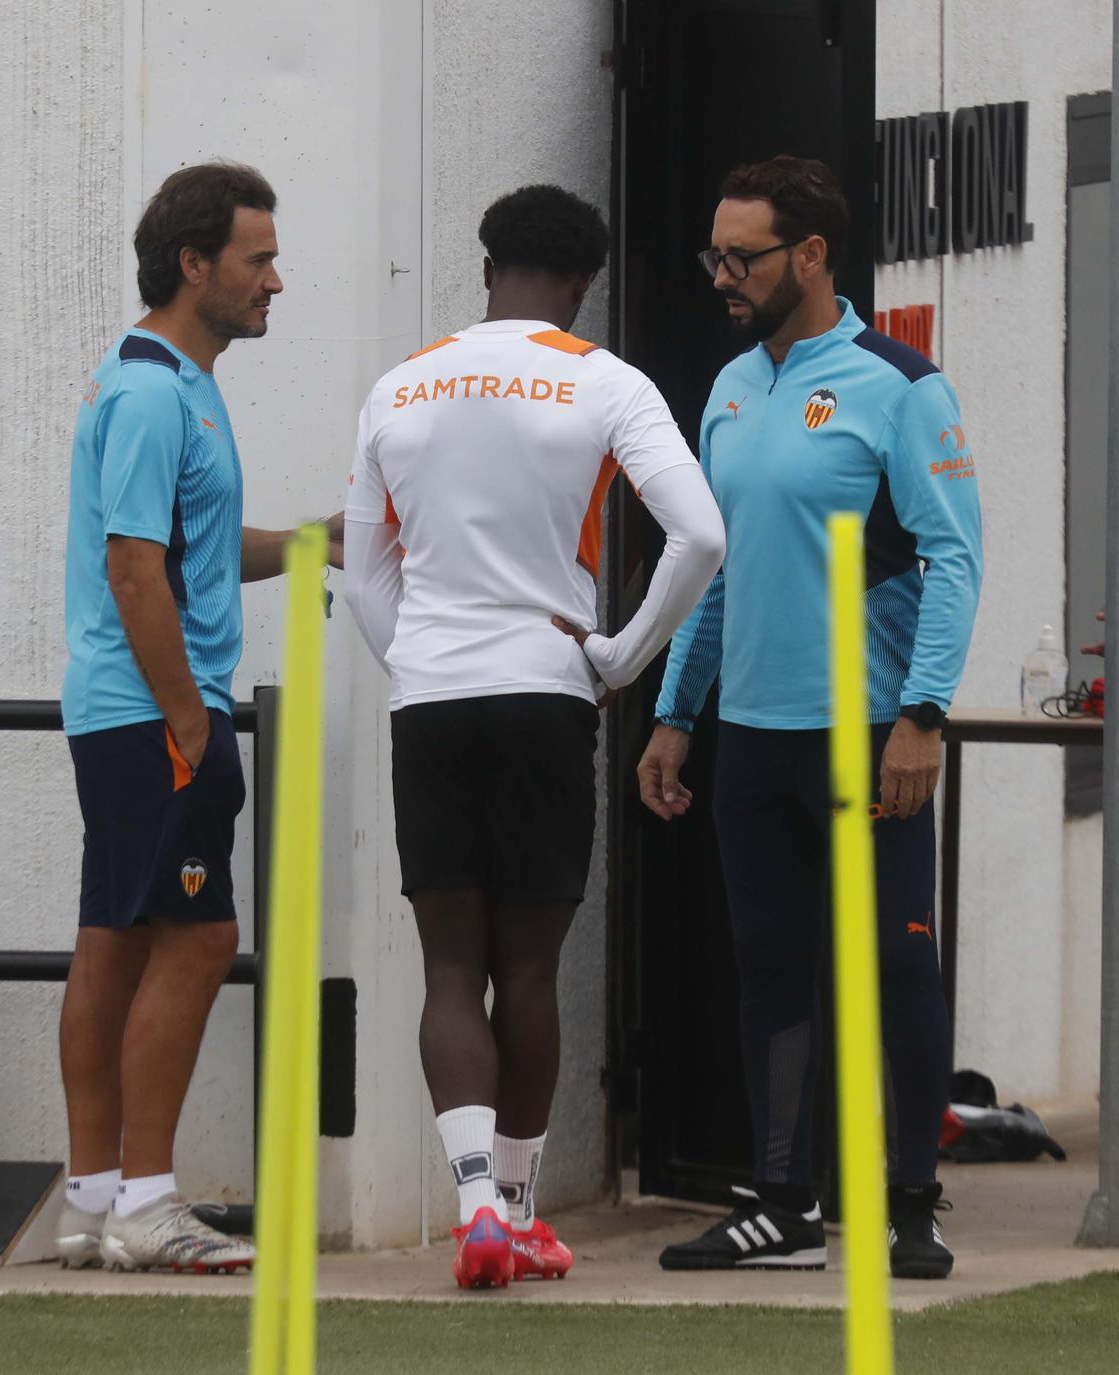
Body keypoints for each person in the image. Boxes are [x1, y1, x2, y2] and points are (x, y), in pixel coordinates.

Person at [344, 185, 725, 1289]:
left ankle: (471, 1206)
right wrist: (618, 655)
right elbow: (699, 532)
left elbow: (366, 570)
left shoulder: (399, 384)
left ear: (483, 265)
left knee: (450, 963)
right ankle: (514, 1206)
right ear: (583, 283)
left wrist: (412, 656)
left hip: (431, 691)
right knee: (529, 964)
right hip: (546, 684)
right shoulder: (603, 380)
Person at [642, 156, 983, 1281]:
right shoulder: (731, 384)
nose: (722, 276)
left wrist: (921, 716)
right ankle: (780, 1205)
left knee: (893, 965)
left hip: (870, 730)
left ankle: (910, 1209)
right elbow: (716, 566)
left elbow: (953, 559)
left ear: (812, 254)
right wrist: (674, 712)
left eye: (740, 256)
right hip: (754, 737)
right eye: (713, 255)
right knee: (771, 967)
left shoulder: (898, 383)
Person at [56, 160, 341, 1274]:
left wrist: (319, 540)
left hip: (132, 713)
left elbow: (192, 550)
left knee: (114, 942)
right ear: (193, 263)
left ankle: (93, 1201)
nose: (275, 279)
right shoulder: (146, 391)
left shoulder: (176, 382)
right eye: (256, 258)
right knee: (202, 935)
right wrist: (188, 719)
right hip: (151, 714)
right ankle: (147, 1198)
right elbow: (135, 572)